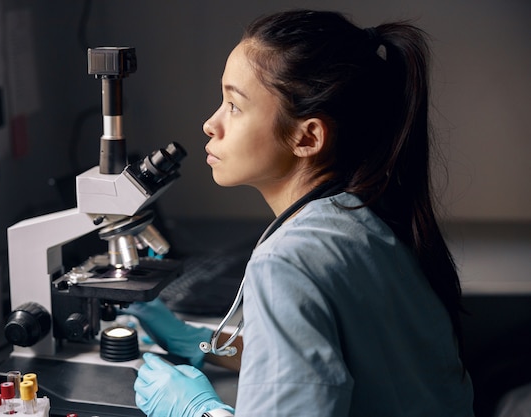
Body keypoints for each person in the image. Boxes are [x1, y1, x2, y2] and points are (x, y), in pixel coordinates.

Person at [126, 9, 475, 417]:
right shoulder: (367, 219)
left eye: (234, 106)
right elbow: (332, 356)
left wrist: (196, 411)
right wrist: (198, 342)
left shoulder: (287, 261)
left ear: (307, 136)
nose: (210, 124)